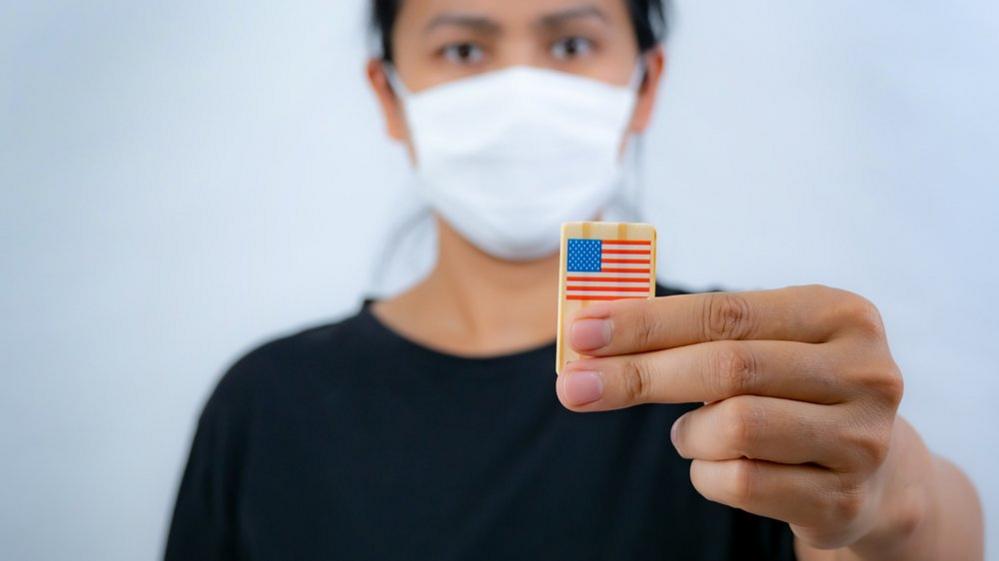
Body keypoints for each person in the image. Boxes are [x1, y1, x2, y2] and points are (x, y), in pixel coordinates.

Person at [164, 0, 984, 559]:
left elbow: (929, 535)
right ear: (389, 95)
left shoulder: (747, 390)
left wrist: (890, 495)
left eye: (569, 43)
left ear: (645, 85)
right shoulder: (265, 404)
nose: (520, 91)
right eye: (462, 48)